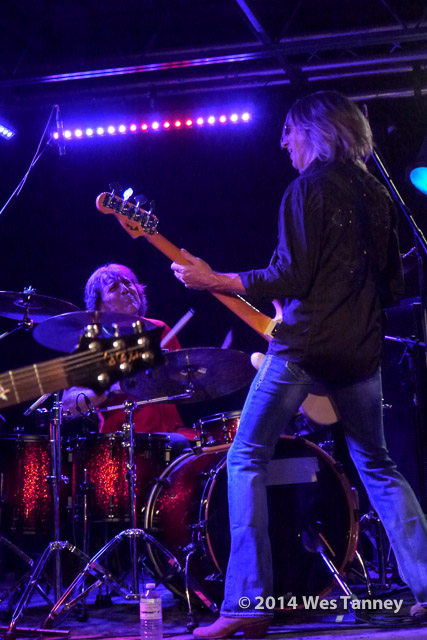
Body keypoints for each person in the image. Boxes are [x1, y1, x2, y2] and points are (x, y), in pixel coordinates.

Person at [171, 90, 427, 638]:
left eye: (289, 131)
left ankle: (247, 604)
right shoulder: (377, 194)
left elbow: (288, 274)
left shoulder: (306, 188)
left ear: (316, 130)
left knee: (245, 458)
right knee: (378, 465)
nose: (283, 143)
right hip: (361, 352)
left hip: (304, 349)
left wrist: (214, 279)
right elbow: (391, 286)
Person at [62, 263, 193, 449]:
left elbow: (185, 385)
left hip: (173, 433)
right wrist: (113, 386)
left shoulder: (160, 329)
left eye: (128, 283)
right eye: (113, 288)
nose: (125, 289)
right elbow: (68, 406)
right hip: (123, 442)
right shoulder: (95, 343)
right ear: (100, 306)